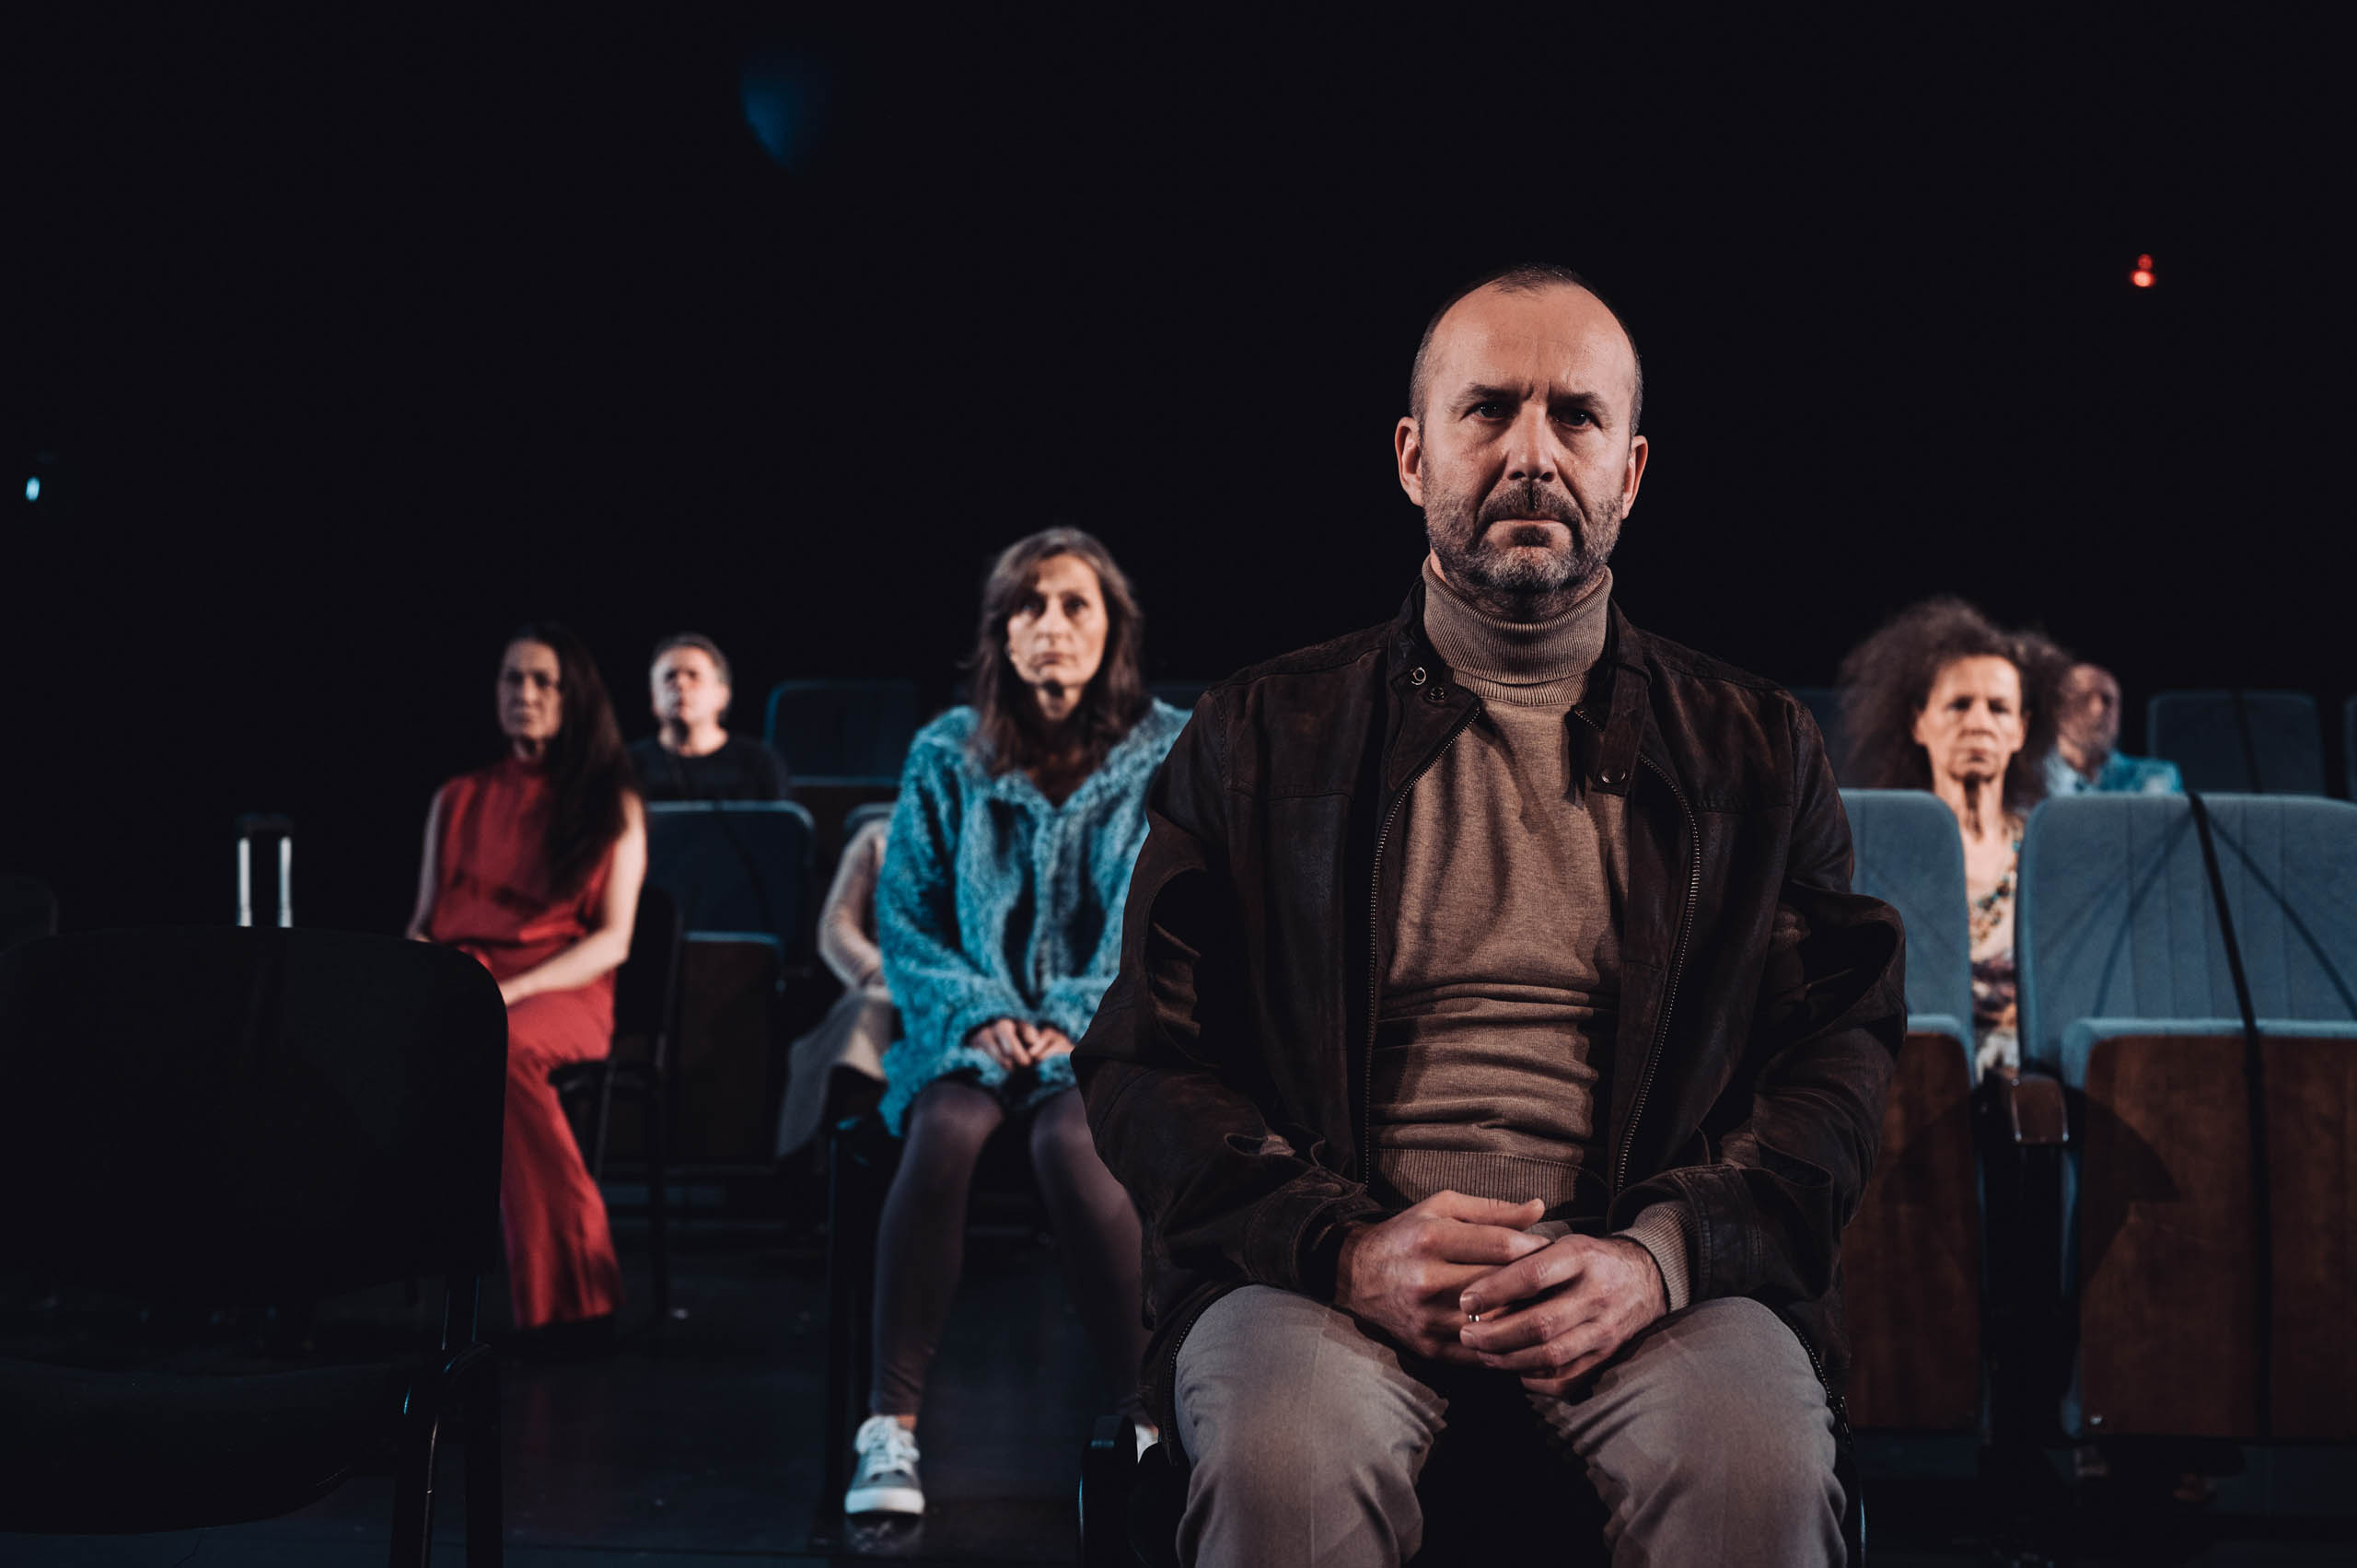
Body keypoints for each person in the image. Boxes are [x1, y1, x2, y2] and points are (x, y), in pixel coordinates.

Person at [1078, 265, 1904, 1567]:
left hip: (1651, 1278)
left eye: (1575, 415)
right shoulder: (1258, 732)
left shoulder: (1757, 747)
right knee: (1285, 1470)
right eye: (1488, 410)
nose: (1531, 453)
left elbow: (1835, 1069)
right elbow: (1146, 1062)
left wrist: (1661, 1255)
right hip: (1322, 1274)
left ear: (1631, 471)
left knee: (1756, 1474)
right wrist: (1343, 1245)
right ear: (1413, 456)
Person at [844, 528, 1189, 1518]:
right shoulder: (944, 751)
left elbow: (1157, 918)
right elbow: (907, 916)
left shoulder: (1167, 747)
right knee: (945, 1126)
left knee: (1073, 1141)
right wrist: (984, 1010)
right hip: (969, 1032)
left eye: (1074, 604)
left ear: (1112, 626)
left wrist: (1076, 1020)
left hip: (1103, 1036)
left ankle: (1143, 1418)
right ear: (1000, 631)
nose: (1051, 626)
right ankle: (890, 1424)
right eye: (1028, 606)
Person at [407, 621, 646, 1339]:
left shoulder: (610, 802)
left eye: (544, 680)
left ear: (573, 697)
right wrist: (419, 981)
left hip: (560, 987)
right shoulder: (457, 797)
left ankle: (574, 1295)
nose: (525, 693)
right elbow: (423, 920)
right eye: (513, 678)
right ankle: (298, 1283)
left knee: (502, 1047)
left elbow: (613, 939)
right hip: (463, 979)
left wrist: (505, 994)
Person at [1840, 598, 2063, 1077]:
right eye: (1959, 705)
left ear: (2021, 729)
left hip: (2034, 1083)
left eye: (1999, 708)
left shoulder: (2050, 852)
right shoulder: (1875, 853)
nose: (1979, 723)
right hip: (1913, 1076)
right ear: (1918, 722)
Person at [773, 810, 894, 1160]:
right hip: (883, 987)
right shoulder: (876, 837)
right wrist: (880, 972)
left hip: (963, 997)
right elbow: (836, 927)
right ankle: (821, 1157)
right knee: (870, 1010)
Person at [626, 633, 793, 802]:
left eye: (693, 676)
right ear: (654, 698)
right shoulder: (629, 766)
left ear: (722, 695)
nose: (680, 684)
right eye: (670, 676)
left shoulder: (760, 763)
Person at [2043, 661, 2181, 796]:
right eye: (2083, 699)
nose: (2099, 709)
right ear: (2056, 711)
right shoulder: (2035, 781)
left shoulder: (2156, 777)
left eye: (2107, 700)